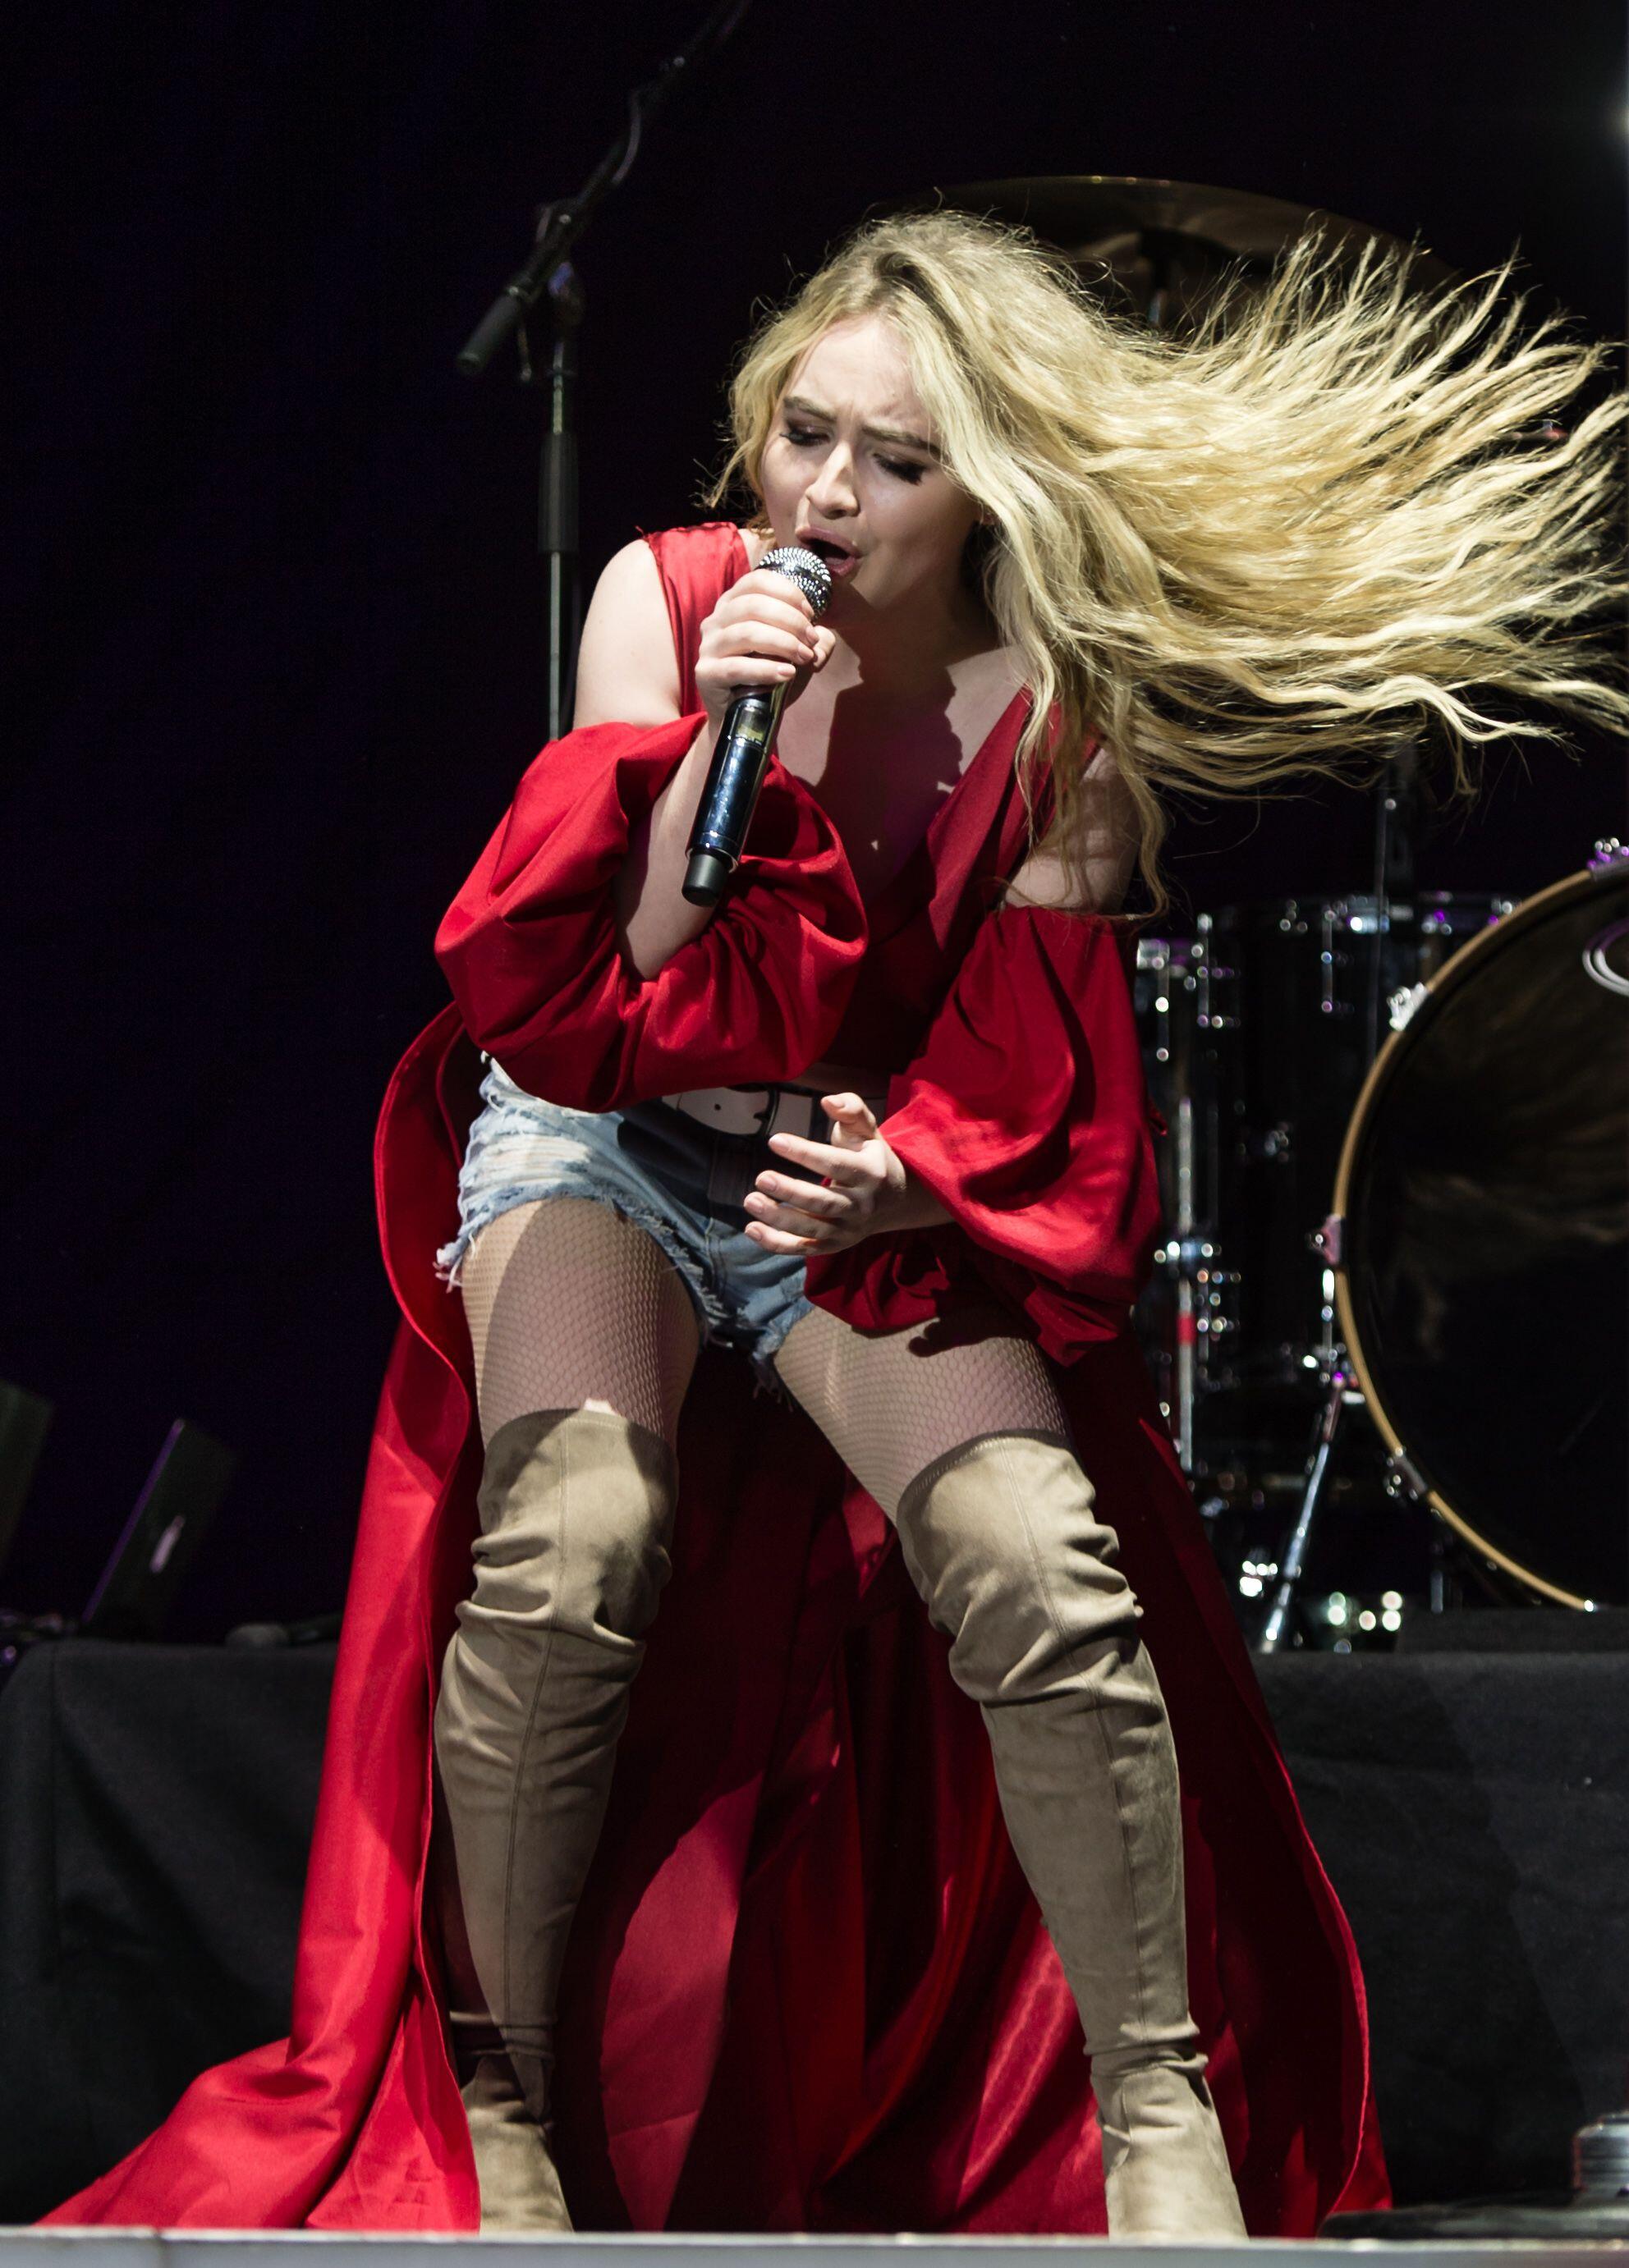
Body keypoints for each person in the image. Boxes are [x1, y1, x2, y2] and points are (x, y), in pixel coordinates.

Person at [46, 209, 1625, 2239]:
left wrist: (909, 1175)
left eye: (894, 459)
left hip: (846, 1174)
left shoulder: (1049, 713)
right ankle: (497, 2093)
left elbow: (1035, 1076)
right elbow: (597, 990)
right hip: (602, 1137)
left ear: (985, 485)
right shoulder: (661, 597)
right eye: (805, 435)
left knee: (1034, 1557)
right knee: (578, 1529)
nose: (829, 492)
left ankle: (1157, 2114)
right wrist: (705, 739)